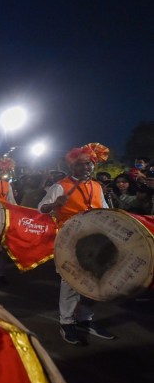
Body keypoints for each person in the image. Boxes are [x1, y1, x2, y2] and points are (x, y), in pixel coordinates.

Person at [38, 146, 116, 345]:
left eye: (89, 163)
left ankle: (85, 319)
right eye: (81, 164)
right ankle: (66, 322)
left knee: (92, 281)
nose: (86, 167)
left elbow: (104, 211)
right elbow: (41, 209)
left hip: (95, 242)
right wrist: (55, 205)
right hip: (69, 240)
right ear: (72, 166)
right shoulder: (60, 186)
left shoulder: (97, 186)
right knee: (71, 282)